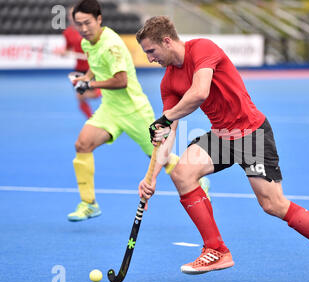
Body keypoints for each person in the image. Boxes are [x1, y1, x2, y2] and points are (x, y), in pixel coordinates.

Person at [136, 16, 309, 282]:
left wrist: (167, 117)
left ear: (166, 41)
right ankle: (216, 249)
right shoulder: (168, 82)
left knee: (273, 205)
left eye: (151, 51)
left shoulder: (202, 49)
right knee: (181, 173)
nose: (149, 59)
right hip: (223, 135)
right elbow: (167, 133)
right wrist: (151, 178)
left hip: (252, 133)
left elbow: (200, 92)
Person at [67, 0, 209, 221]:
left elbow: (121, 80)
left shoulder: (111, 44)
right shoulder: (87, 44)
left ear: (99, 19)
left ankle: (198, 181)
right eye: (79, 24)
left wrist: (90, 86)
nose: (84, 29)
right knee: (82, 144)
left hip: (133, 110)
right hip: (110, 109)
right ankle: (89, 203)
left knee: (158, 156)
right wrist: (84, 79)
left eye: (87, 23)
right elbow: (95, 68)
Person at [56, 6, 100, 119]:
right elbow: (68, 49)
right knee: (80, 96)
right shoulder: (67, 33)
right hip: (79, 69)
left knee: (97, 94)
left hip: (93, 67)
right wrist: (62, 52)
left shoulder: (89, 29)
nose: (72, 17)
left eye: (74, 15)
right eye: (70, 15)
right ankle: (92, 119)